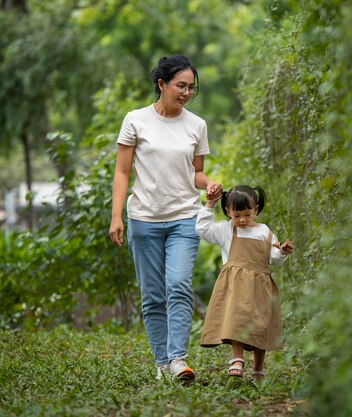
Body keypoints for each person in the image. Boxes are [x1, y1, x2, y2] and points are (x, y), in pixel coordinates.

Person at [109, 54, 223, 381]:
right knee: (154, 294)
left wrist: (210, 184)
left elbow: (196, 173)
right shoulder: (136, 120)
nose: (187, 93)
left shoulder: (196, 125)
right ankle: (162, 363)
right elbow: (121, 171)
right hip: (143, 219)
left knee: (178, 285)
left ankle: (177, 359)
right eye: (181, 86)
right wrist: (116, 217)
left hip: (184, 218)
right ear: (162, 84)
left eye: (192, 88)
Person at [195, 185, 293, 378]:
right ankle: (237, 359)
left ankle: (258, 367)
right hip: (235, 287)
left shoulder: (265, 232)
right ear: (227, 212)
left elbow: (273, 258)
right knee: (236, 321)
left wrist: (282, 252)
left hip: (261, 287)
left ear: (256, 209)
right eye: (236, 215)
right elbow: (203, 229)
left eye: (247, 214)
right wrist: (208, 205)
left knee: (260, 325)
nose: (242, 220)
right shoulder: (226, 230)